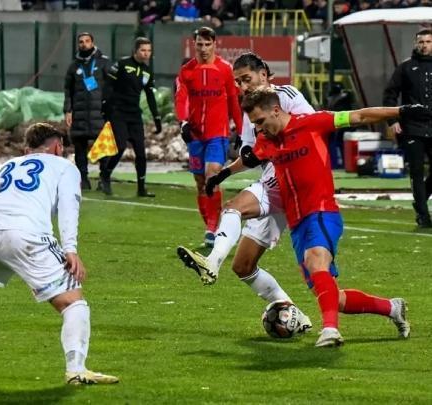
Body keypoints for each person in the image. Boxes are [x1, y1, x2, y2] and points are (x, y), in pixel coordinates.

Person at [206, 87, 425, 346]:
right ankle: (391, 307)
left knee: (315, 261)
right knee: (332, 295)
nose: (259, 129)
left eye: (261, 122)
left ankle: (330, 330)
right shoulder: (268, 140)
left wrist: (401, 111)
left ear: (276, 110)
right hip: (298, 225)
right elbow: (251, 159)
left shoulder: (312, 123)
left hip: (321, 212)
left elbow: (359, 116)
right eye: (255, 124)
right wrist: (223, 174)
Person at [0, 123, 119, 386]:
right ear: (57, 147)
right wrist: (70, 248)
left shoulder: (6, 166)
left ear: (26, 149)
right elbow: (68, 207)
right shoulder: (65, 167)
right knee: (73, 302)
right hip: (27, 237)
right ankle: (76, 369)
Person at [177, 53, 314, 324]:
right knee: (243, 266)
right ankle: (296, 316)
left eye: (246, 79)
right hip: (275, 178)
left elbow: (312, 128)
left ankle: (213, 261)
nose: (242, 87)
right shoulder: (249, 109)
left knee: (317, 272)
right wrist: (223, 174)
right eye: (238, 82)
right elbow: (252, 154)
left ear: (263, 73)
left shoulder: (286, 95)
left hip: (298, 179)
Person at [175, 26, 242, 247]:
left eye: (207, 44)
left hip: (218, 134)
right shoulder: (186, 71)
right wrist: (183, 121)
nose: (204, 49)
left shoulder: (225, 69)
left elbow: (234, 102)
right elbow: (182, 99)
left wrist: (241, 132)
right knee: (200, 182)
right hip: (195, 135)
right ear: (194, 44)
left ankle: (213, 227)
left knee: (212, 174)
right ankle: (211, 224)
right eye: (200, 44)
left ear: (215, 44)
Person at [100, 37, 161, 197]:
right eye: (143, 50)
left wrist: (157, 118)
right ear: (135, 51)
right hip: (118, 113)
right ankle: (105, 176)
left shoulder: (148, 71)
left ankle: (141, 188)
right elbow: (108, 85)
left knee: (140, 153)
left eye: (149, 50)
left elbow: (150, 95)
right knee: (120, 147)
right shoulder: (122, 64)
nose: (146, 53)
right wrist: (105, 106)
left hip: (134, 115)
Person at [383, 29, 432, 228]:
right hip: (412, 127)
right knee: (417, 171)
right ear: (415, 43)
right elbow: (390, 95)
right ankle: (423, 215)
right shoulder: (405, 67)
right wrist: (392, 120)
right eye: (421, 41)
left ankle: (419, 200)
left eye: (428, 41)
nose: (424, 45)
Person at [63, 32, 111, 190]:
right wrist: (68, 110)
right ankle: (83, 179)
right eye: (81, 42)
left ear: (93, 43)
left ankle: (103, 179)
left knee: (103, 146)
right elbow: (68, 90)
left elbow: (111, 86)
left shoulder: (103, 62)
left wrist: (110, 106)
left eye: (87, 41)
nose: (84, 44)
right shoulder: (73, 66)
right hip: (79, 112)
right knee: (79, 147)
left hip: (99, 112)